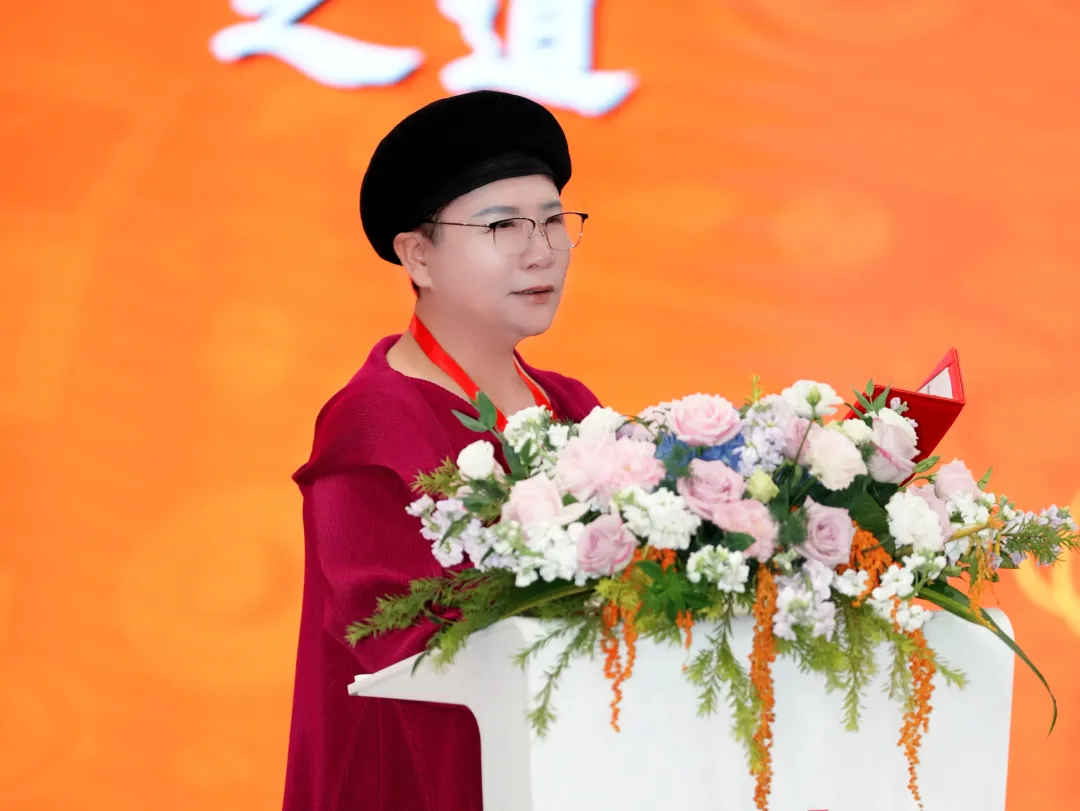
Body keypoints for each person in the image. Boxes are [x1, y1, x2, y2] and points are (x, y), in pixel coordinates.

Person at [281, 90, 603, 811]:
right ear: (418, 255)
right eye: (503, 225)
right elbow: (405, 649)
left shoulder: (575, 406)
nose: (541, 250)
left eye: (554, 220)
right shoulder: (373, 426)